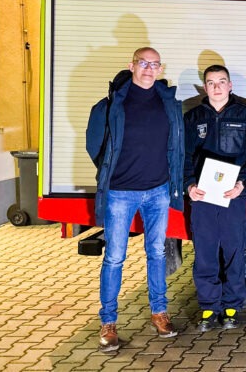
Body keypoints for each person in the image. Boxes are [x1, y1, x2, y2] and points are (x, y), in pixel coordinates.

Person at [85, 47, 184, 352]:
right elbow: (95, 146)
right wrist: (113, 174)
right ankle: (109, 323)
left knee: (156, 253)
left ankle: (159, 313)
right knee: (115, 257)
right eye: (144, 64)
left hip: (158, 190)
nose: (149, 69)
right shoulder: (111, 104)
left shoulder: (168, 103)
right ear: (131, 66)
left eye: (155, 65)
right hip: (120, 192)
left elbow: (176, 144)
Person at [183, 64, 246, 332]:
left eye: (221, 81)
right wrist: (189, 185)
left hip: (233, 195)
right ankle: (207, 307)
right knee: (205, 253)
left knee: (234, 251)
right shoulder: (192, 118)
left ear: (230, 86)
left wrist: (243, 182)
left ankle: (231, 307)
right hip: (202, 197)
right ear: (205, 88)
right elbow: (182, 156)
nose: (216, 87)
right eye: (211, 82)